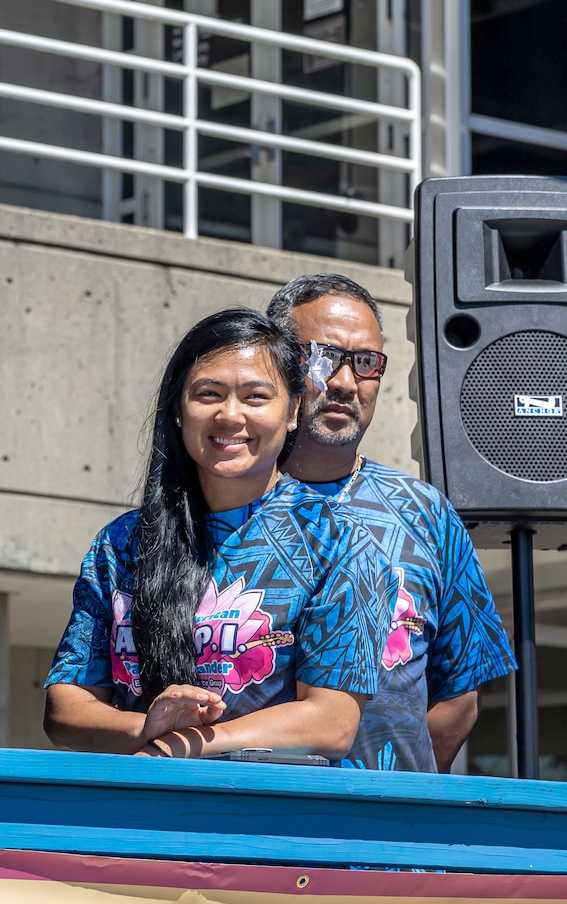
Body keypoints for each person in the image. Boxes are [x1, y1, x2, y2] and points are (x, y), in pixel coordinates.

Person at [43, 309, 387, 759]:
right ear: (179, 411)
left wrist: (187, 744)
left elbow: (331, 722)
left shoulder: (339, 540)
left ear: (293, 411)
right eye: (208, 394)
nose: (230, 415)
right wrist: (147, 727)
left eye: (256, 396)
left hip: (272, 820)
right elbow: (65, 710)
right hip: (141, 816)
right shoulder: (122, 543)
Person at [267, 273, 515, 773]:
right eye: (319, 357)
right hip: (244, 836)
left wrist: (395, 783)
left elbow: (458, 699)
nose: (342, 382)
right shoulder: (228, 501)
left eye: (364, 363)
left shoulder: (426, 513)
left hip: (384, 839)